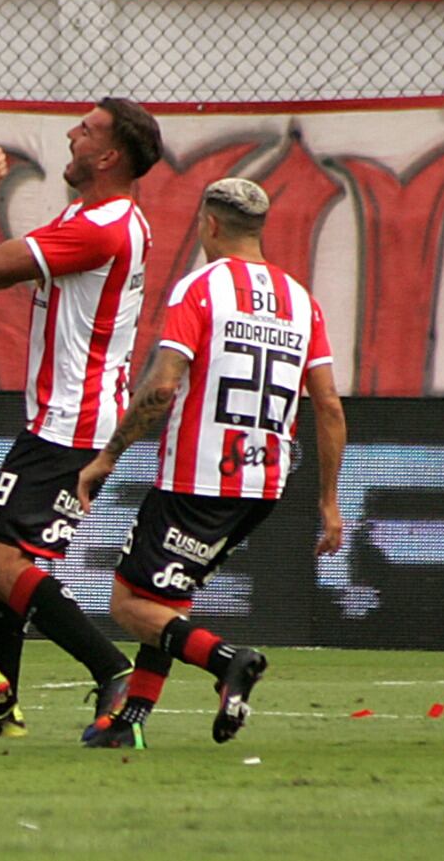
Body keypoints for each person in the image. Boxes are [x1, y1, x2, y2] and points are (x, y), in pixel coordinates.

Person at [0, 98, 163, 737]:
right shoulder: (99, 216)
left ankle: (110, 669)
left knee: (2, 560)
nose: (71, 134)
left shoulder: (102, 225)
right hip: (66, 417)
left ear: (108, 156)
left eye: (86, 130)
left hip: (72, 424)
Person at [75, 177, 346, 749]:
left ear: (211, 225)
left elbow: (164, 386)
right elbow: (327, 405)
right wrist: (328, 500)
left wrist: (108, 455)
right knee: (167, 600)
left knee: (129, 603)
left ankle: (227, 662)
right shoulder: (303, 301)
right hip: (265, 483)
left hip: (198, 477)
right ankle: (129, 724)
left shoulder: (200, 290)